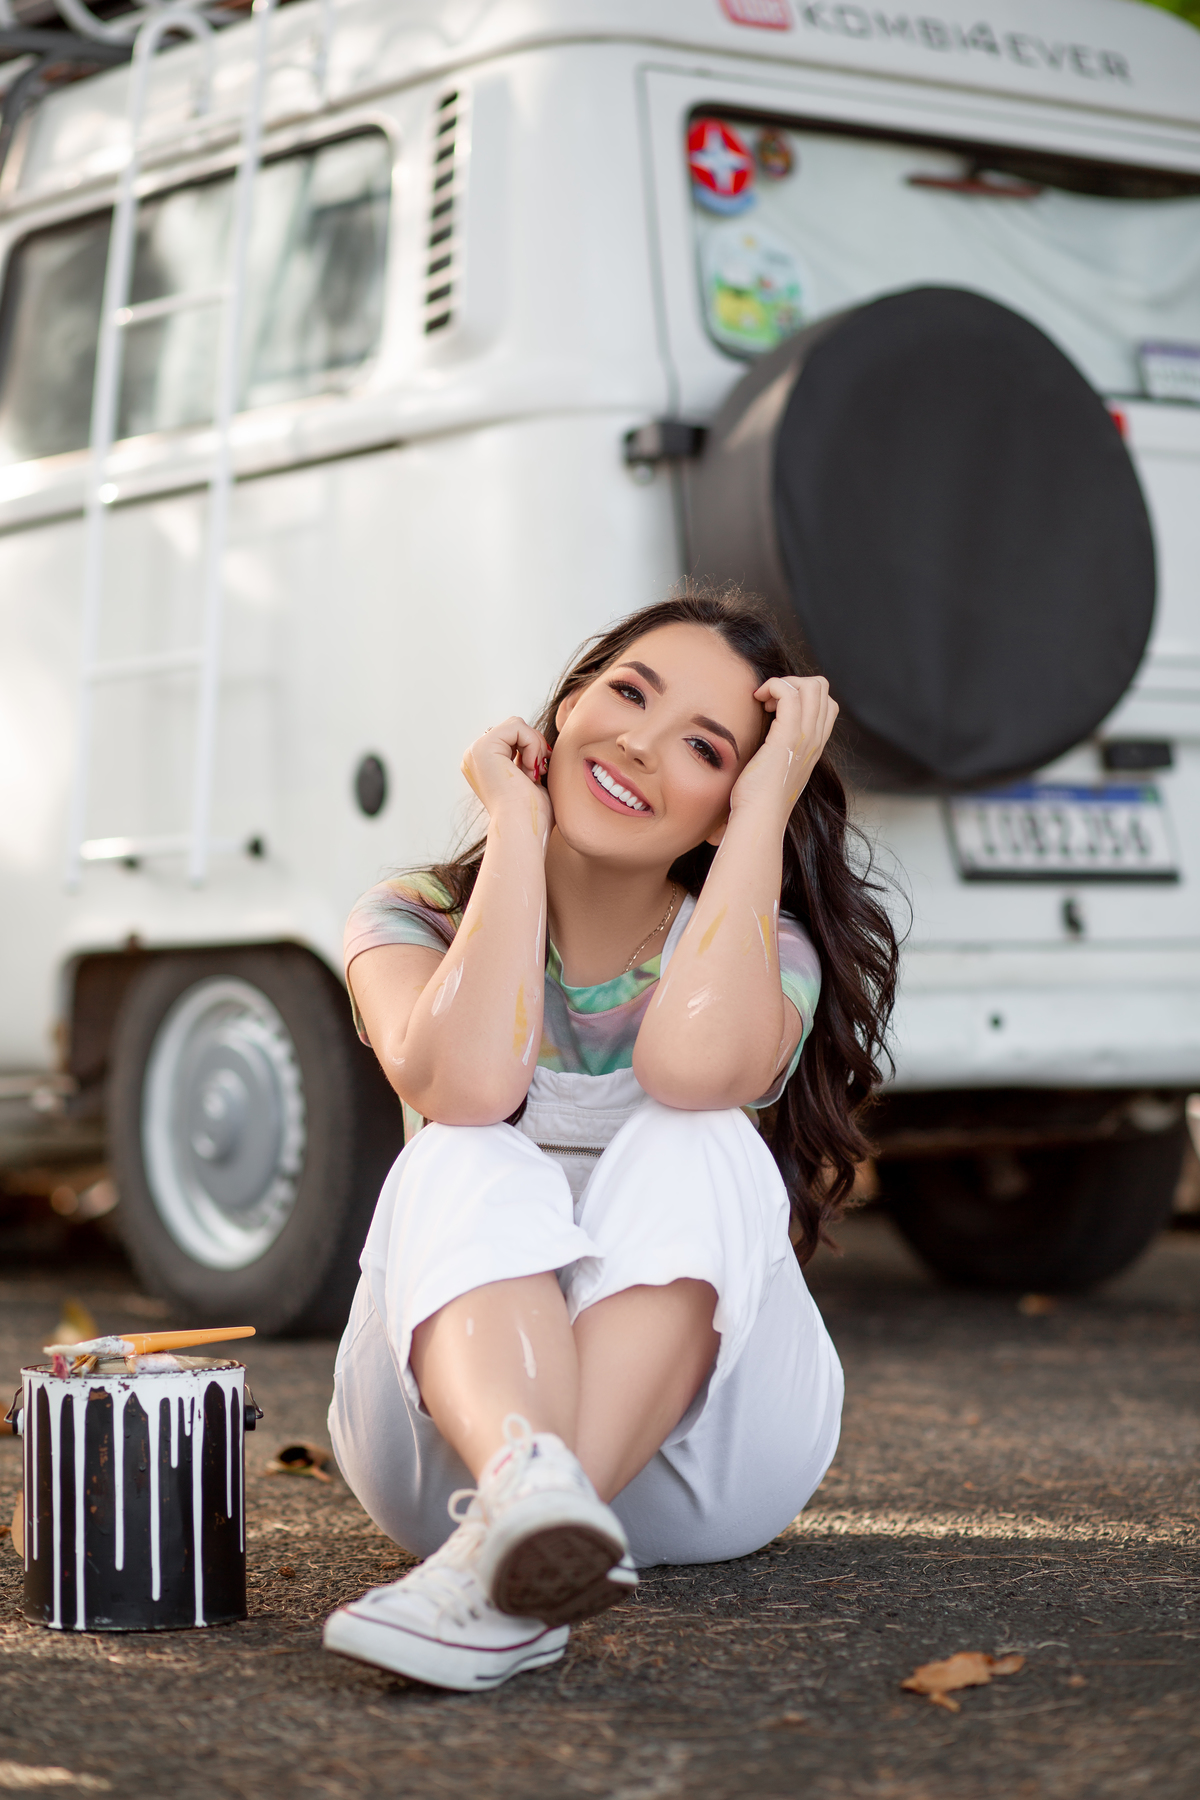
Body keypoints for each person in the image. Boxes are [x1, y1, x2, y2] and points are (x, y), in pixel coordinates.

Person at [323, 586, 898, 1691]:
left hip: (704, 1463)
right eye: (628, 692)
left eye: (706, 746)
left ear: (729, 804)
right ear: (566, 704)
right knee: (464, 1143)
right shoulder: (412, 918)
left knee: (701, 1135)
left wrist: (770, 807)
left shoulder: (758, 947)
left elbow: (692, 1066)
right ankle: (522, 1516)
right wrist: (519, 827)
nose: (638, 742)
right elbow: (472, 1081)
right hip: (447, 1446)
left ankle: (498, 1565)